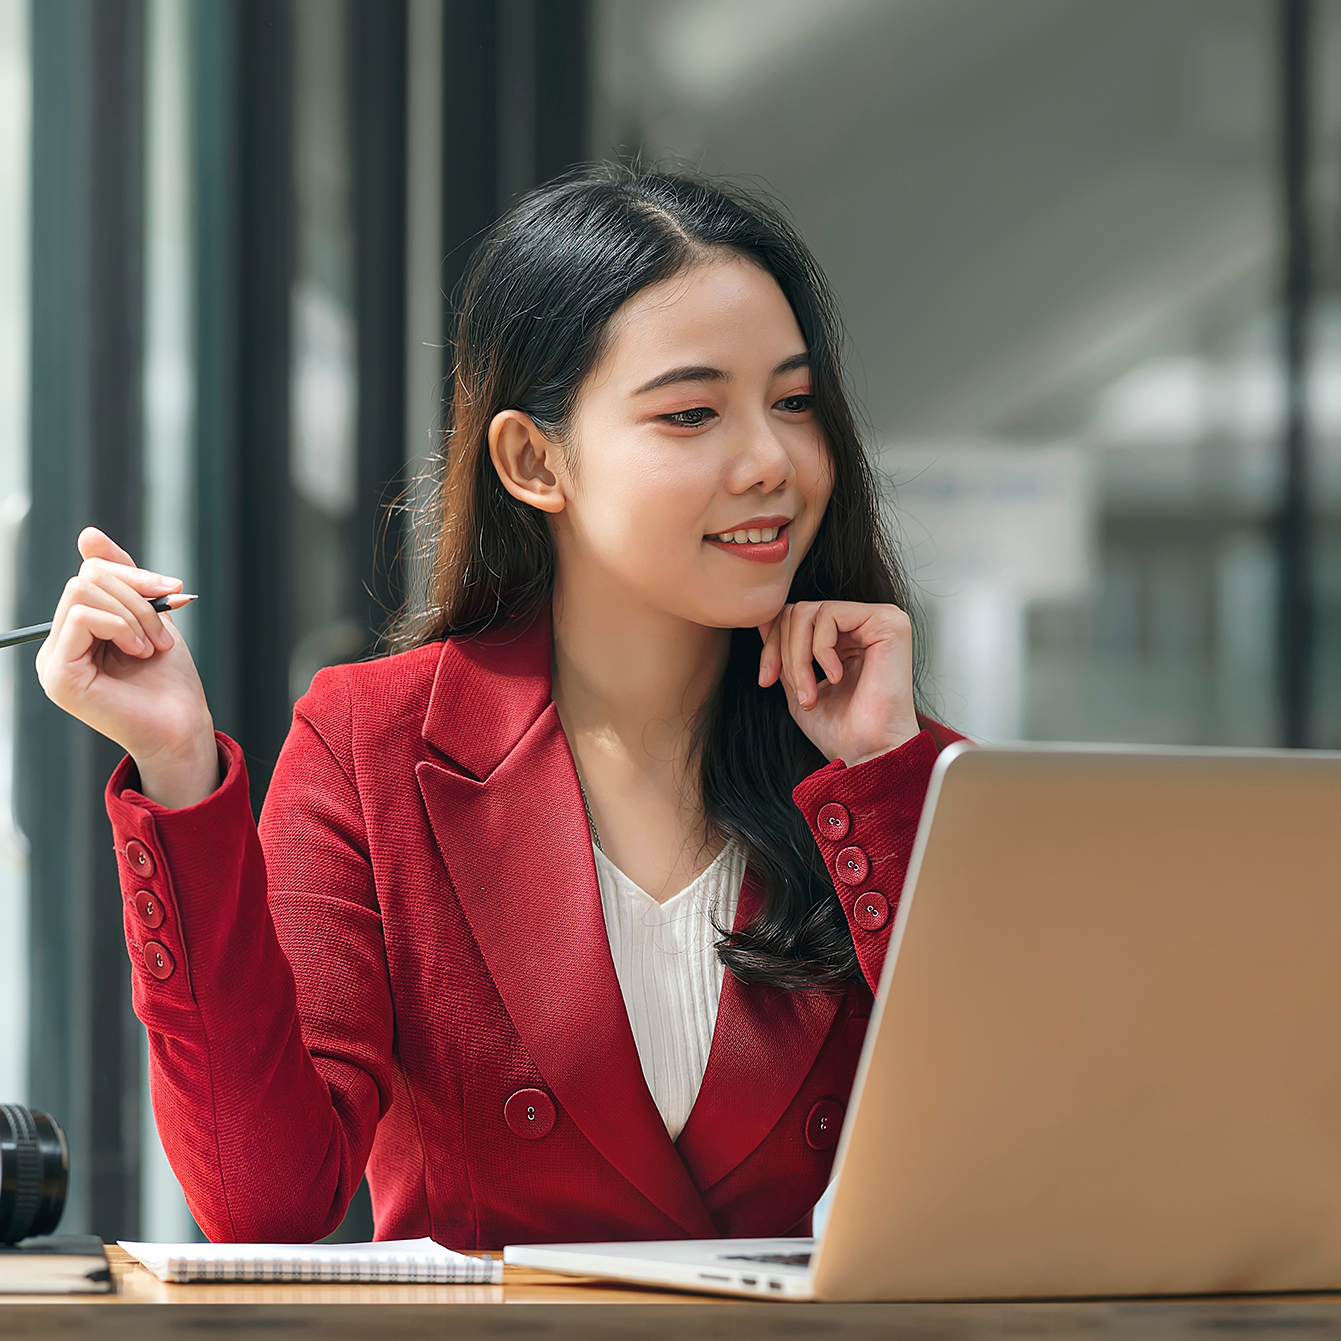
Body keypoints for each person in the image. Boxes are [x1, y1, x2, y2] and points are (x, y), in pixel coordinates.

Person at [38, 166, 962, 1247]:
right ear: (534, 461)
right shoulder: (373, 744)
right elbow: (264, 1202)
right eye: (693, 413)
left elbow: (1025, 1157)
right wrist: (178, 773)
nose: (771, 461)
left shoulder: (893, 766)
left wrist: (886, 781)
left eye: (794, 403)